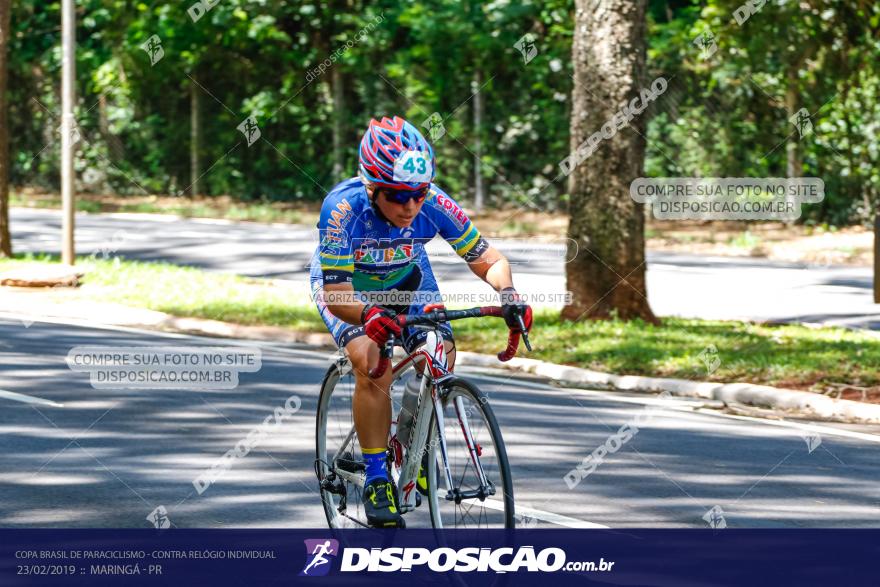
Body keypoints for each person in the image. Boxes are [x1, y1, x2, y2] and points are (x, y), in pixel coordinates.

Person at [310, 116, 532, 528]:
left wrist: (509, 295)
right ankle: (377, 474)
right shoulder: (342, 210)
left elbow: (491, 260)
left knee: (439, 352)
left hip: (408, 277)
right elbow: (336, 295)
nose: (411, 206)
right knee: (371, 361)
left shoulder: (433, 204)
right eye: (398, 196)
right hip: (350, 289)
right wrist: (370, 315)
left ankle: (415, 444)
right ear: (372, 188)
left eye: (419, 193)